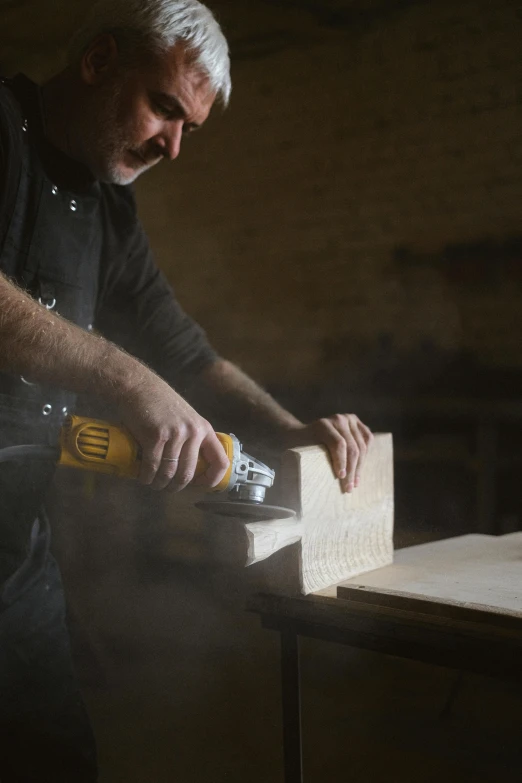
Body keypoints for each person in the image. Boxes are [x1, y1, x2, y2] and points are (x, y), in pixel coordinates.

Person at [0, 0, 372, 779]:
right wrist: (129, 380)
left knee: (58, 759)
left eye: (189, 130)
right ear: (98, 62)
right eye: (164, 108)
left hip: (12, 555)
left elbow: (182, 349)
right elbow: (140, 364)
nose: (172, 145)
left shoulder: (110, 207)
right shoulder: (3, 127)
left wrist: (287, 429)